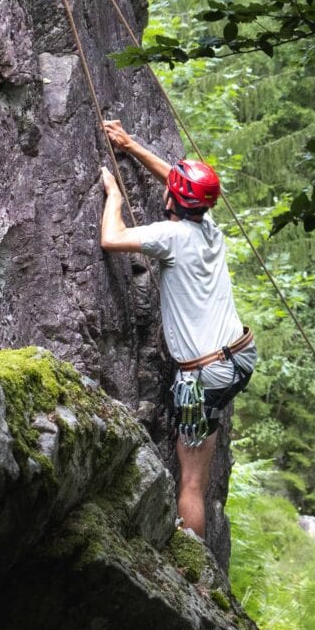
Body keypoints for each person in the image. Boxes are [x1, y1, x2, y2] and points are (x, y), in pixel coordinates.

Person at [97, 119, 258, 539]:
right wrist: (130, 145)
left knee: (190, 482)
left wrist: (114, 195)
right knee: (201, 453)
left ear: (172, 198)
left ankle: (197, 577)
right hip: (239, 356)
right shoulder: (209, 230)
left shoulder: (171, 235)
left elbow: (112, 240)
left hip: (203, 374)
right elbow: (178, 181)